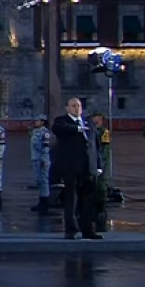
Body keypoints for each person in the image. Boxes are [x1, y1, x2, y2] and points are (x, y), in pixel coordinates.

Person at [51, 97, 103, 240]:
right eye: (73, 106)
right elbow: (58, 129)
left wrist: (98, 165)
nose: (77, 108)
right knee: (72, 200)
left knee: (88, 201)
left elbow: (96, 145)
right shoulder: (62, 121)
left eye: (79, 105)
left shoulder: (88, 123)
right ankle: (71, 230)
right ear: (67, 108)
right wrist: (77, 128)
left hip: (89, 168)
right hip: (71, 168)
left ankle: (88, 230)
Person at [30, 115, 54, 213]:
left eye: (37, 120)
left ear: (42, 122)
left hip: (42, 160)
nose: (35, 122)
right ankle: (41, 201)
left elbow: (46, 148)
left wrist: (44, 160)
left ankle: (45, 203)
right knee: (39, 181)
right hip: (36, 158)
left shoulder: (45, 133)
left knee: (44, 181)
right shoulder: (35, 132)